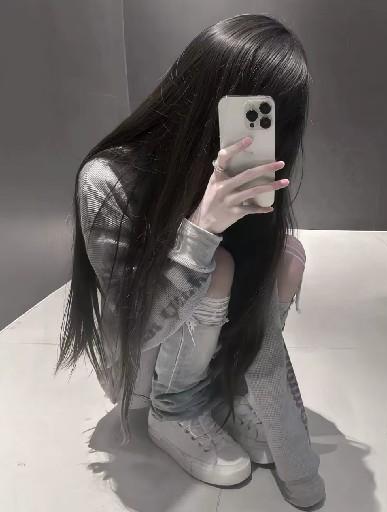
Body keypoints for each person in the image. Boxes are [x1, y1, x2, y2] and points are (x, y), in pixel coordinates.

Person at [55, 13, 325, 509]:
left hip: (204, 341)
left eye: (274, 122)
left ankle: (227, 385)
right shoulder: (108, 179)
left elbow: (263, 324)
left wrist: (299, 465)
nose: (263, 134)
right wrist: (202, 228)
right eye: (252, 115)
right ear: (204, 101)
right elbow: (136, 325)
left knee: (287, 256)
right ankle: (173, 409)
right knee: (217, 267)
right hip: (140, 352)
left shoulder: (247, 172)